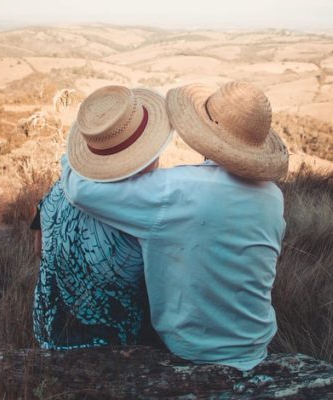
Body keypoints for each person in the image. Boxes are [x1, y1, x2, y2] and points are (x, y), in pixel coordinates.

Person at [61, 81, 289, 370]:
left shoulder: (176, 190)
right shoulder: (273, 197)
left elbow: (81, 190)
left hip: (192, 348)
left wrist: (75, 153)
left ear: (205, 130)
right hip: (256, 344)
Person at [31, 85, 172, 349]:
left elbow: (38, 249)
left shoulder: (56, 190)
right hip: (119, 345)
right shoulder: (143, 205)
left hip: (48, 334)